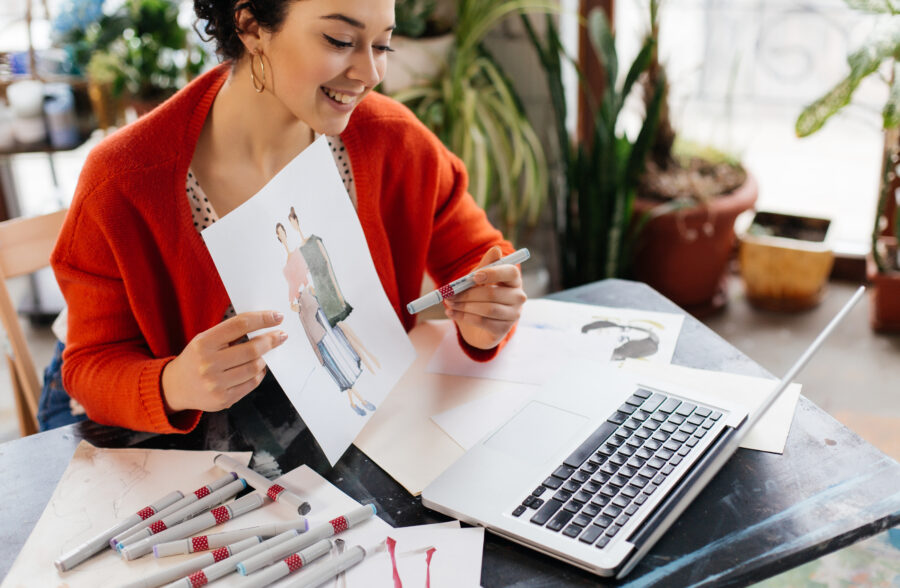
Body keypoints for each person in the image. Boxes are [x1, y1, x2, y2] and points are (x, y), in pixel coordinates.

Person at [48, 0, 527, 435]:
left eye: (383, 44)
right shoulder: (122, 180)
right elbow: (89, 365)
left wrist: (487, 316)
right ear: (251, 26)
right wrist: (174, 383)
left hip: (341, 434)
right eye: (340, 41)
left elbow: (478, 260)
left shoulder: (393, 140)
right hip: (164, 447)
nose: (372, 71)